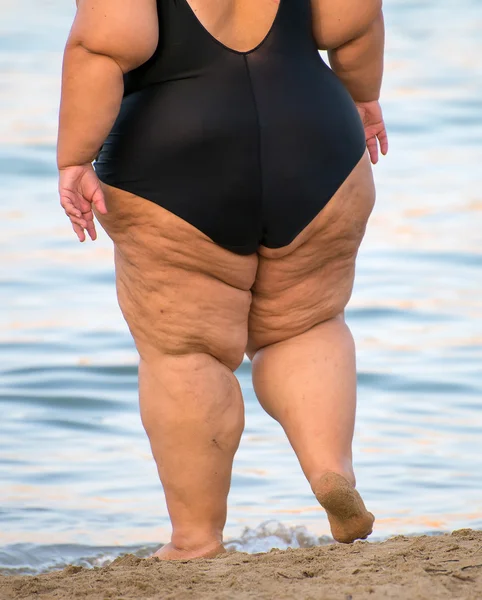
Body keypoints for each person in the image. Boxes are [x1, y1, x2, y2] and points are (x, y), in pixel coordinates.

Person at [57, 0, 388, 560]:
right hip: (314, 129)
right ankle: (331, 469)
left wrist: (75, 156)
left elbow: (104, 43)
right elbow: (352, 20)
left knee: (184, 351)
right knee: (306, 323)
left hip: (175, 145)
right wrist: (362, 95)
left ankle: (195, 540)